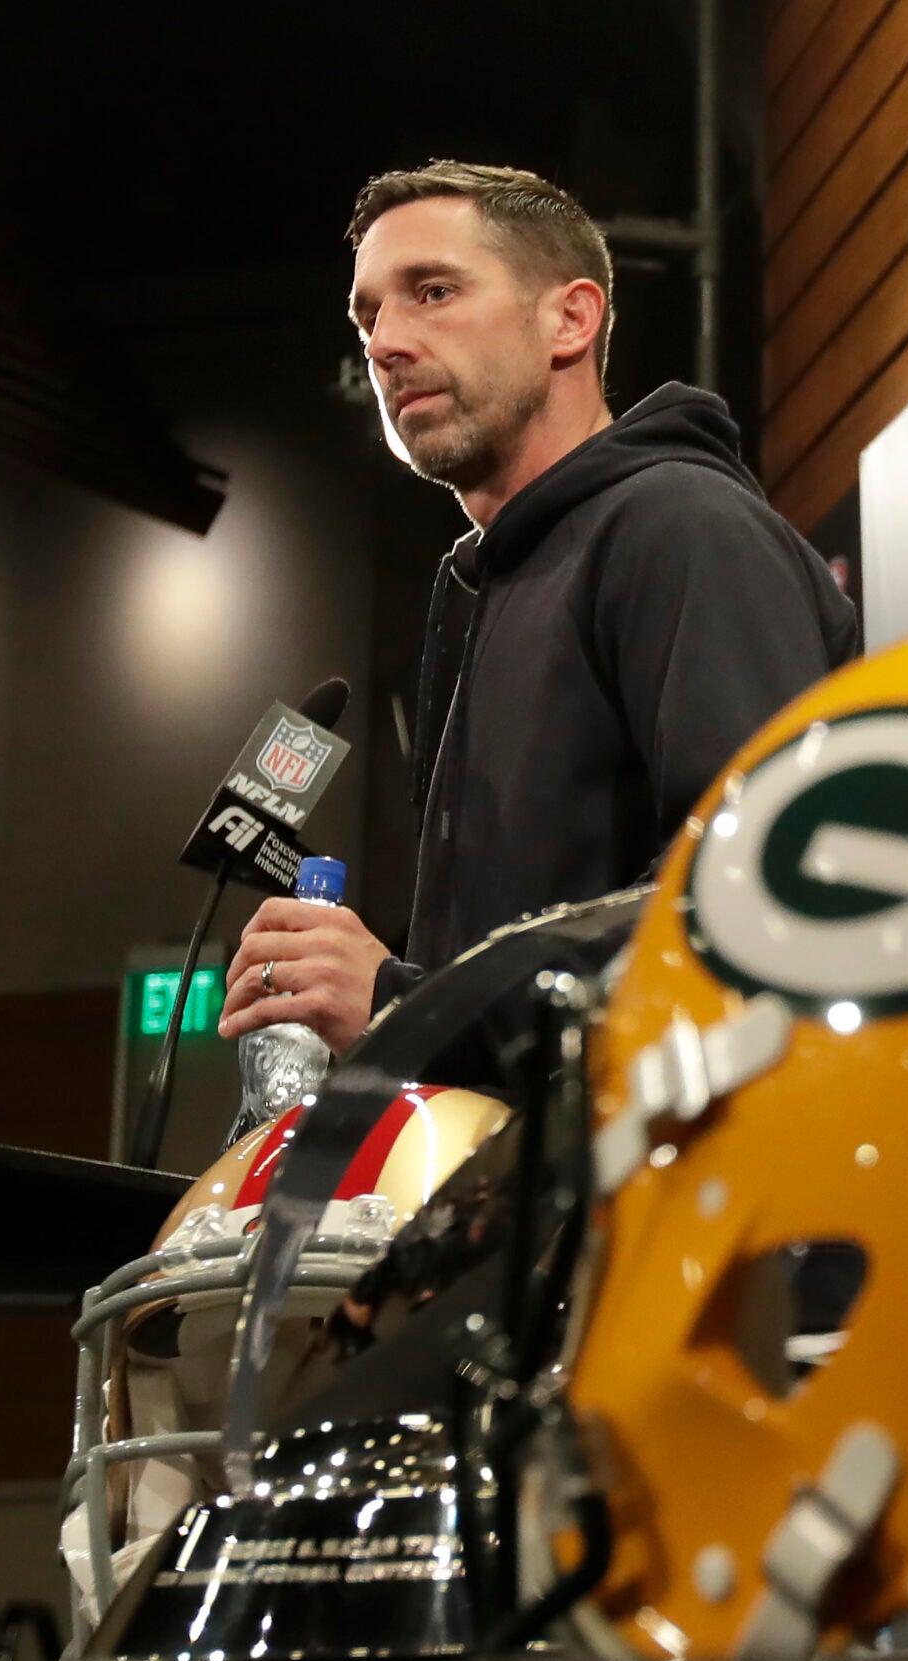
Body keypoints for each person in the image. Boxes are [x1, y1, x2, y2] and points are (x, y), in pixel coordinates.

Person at [216, 161, 856, 1053]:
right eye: (367, 316)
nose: (386, 342)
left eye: (432, 292)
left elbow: (755, 901)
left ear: (571, 318)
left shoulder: (682, 526)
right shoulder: (485, 589)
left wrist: (406, 1003)